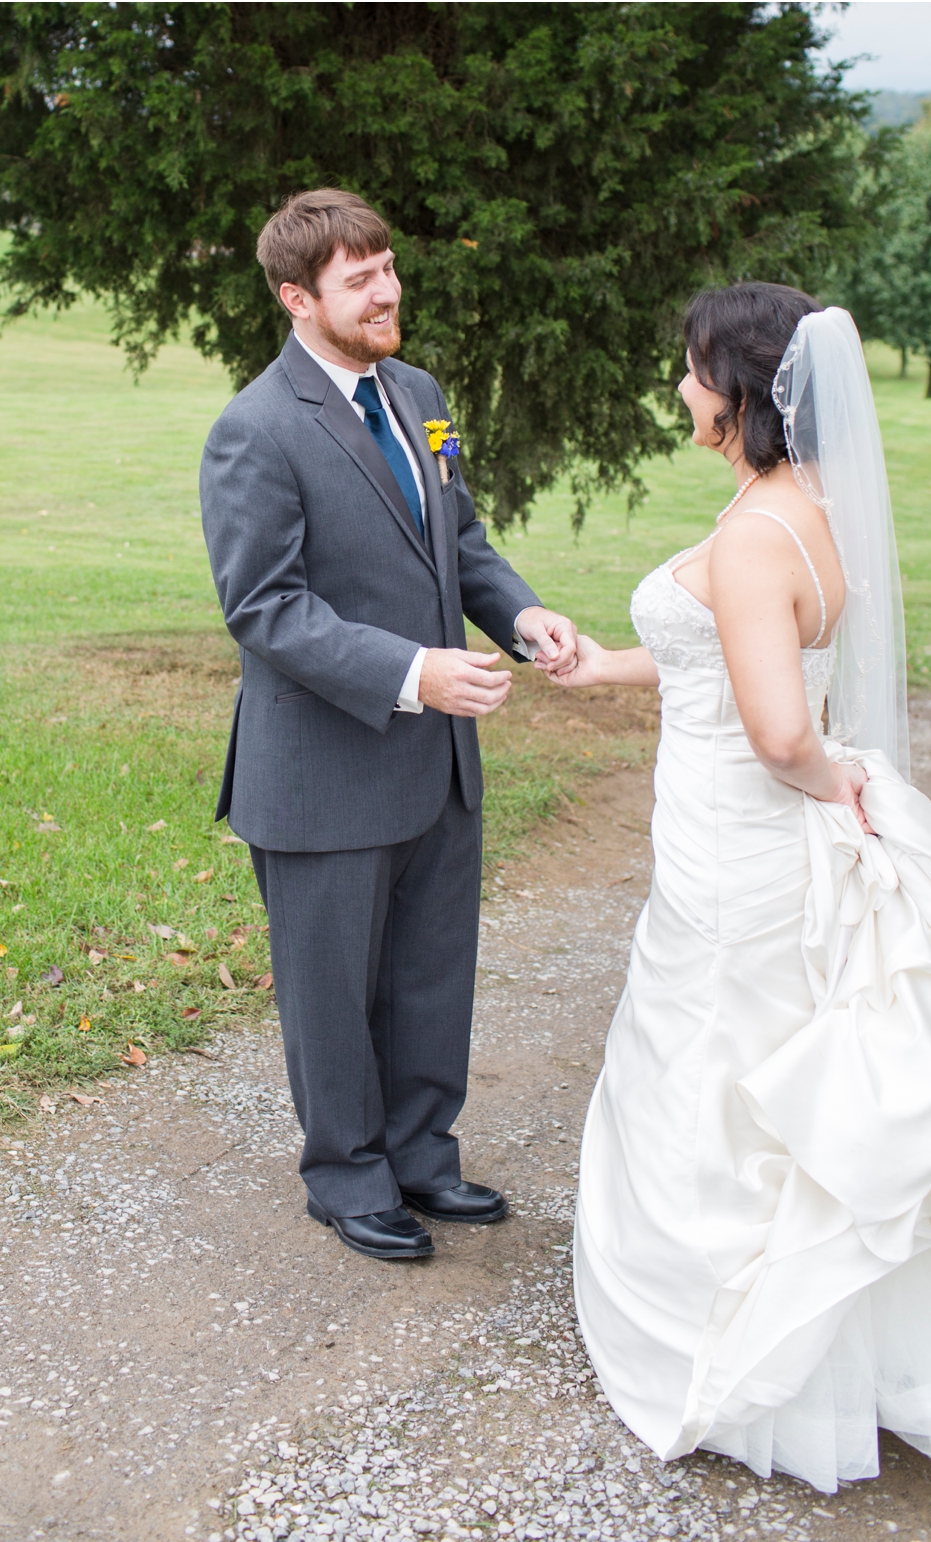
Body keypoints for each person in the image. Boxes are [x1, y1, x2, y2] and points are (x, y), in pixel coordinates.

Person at [544, 284, 931, 1493]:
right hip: (741, 830)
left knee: (714, 1053)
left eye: (691, 367)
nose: (680, 385)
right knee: (766, 1045)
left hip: (734, 841)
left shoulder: (755, 532)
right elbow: (728, 648)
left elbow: (772, 728)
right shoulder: (798, 509)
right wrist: (603, 667)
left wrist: (825, 781)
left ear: (742, 390)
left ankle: (726, 1342)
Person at [200, 188, 577, 1262]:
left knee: (427, 973)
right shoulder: (255, 430)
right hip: (321, 771)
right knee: (331, 995)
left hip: (437, 765)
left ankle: (421, 1155)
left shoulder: (418, 393)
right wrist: (413, 670)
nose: (388, 290)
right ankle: (348, 1176)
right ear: (295, 297)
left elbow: (457, 538)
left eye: (390, 266)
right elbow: (264, 608)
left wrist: (519, 613)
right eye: (358, 277)